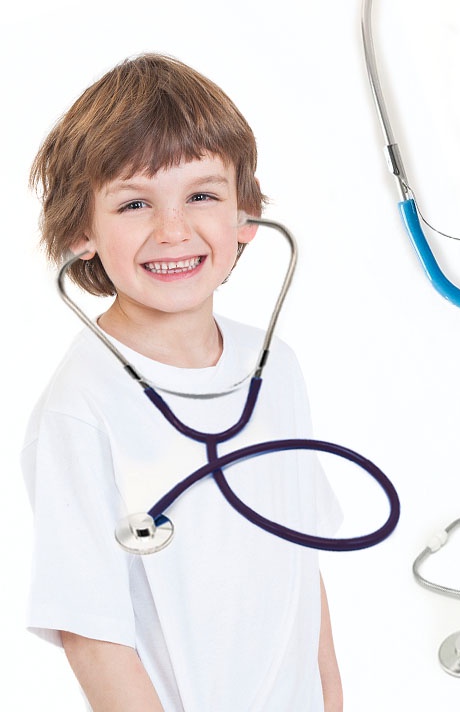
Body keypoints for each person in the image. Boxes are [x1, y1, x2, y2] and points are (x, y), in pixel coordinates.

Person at [22, 53, 344, 711]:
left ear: (245, 216)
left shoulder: (274, 367)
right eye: (134, 203)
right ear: (82, 231)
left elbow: (300, 573)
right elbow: (91, 632)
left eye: (201, 195)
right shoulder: (80, 408)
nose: (173, 231)